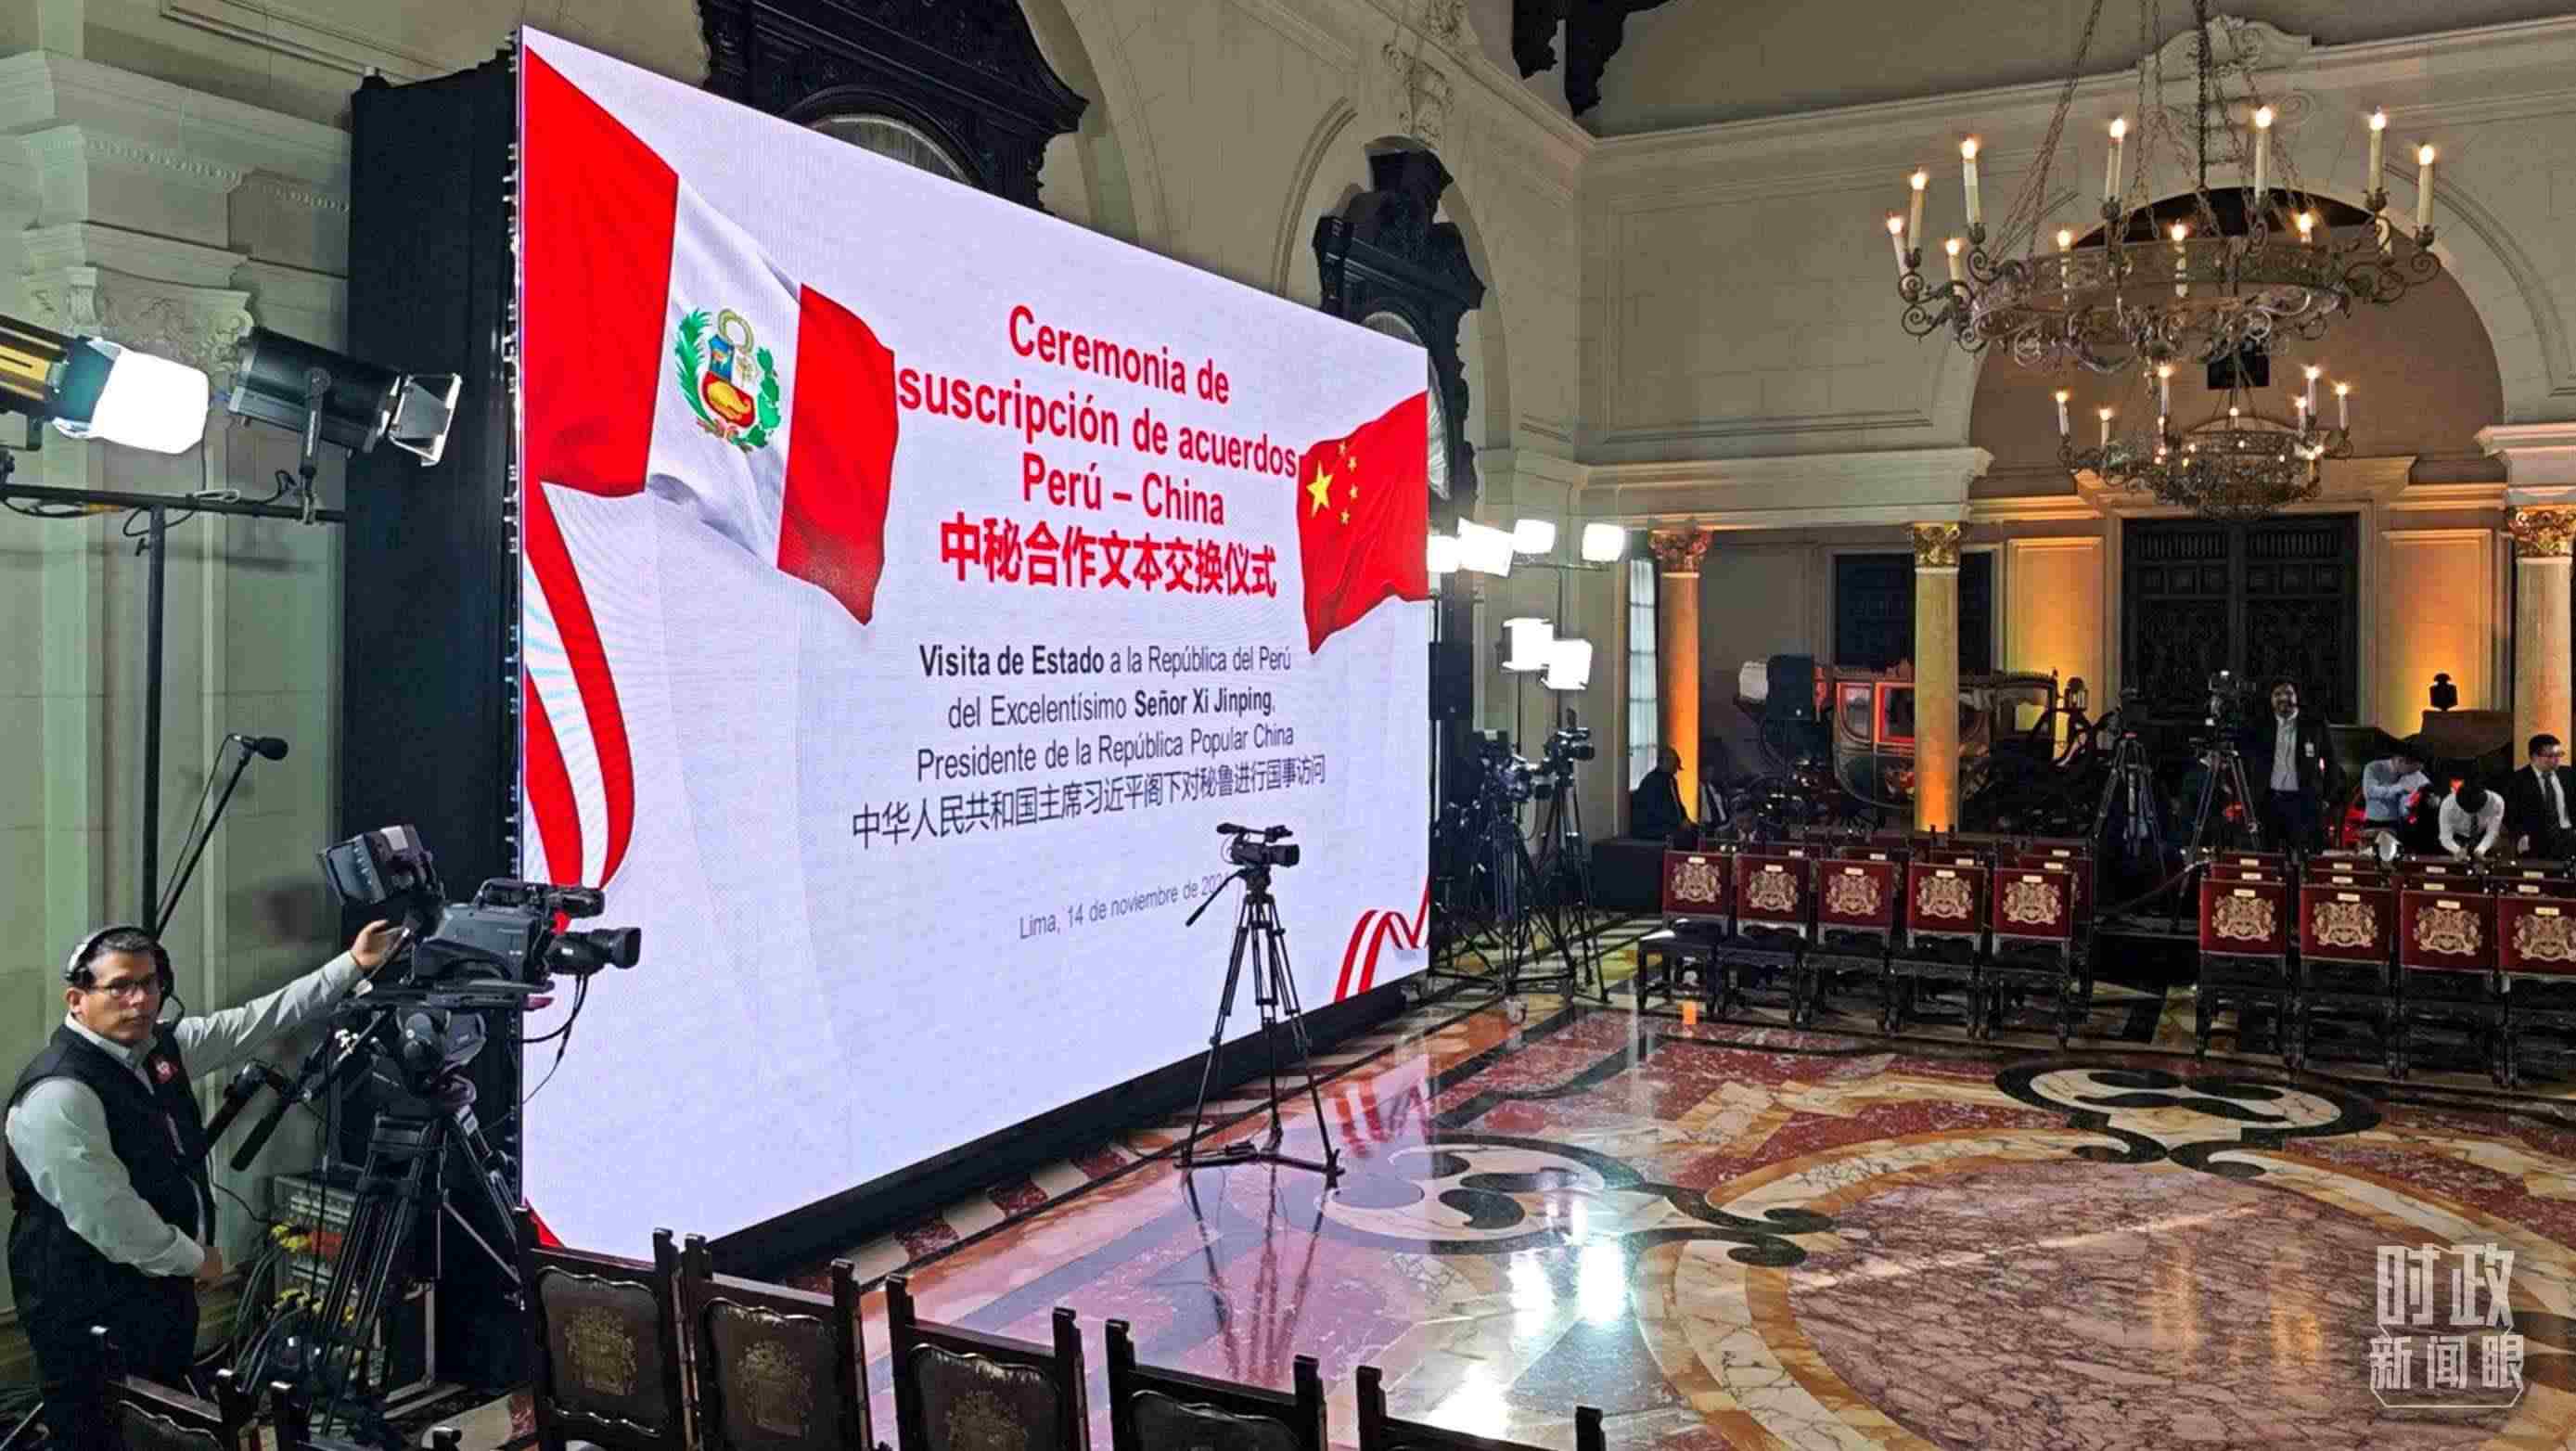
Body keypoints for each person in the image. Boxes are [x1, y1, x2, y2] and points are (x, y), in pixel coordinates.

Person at [6, 919, 402, 1451]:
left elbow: (257, 1019)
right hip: (84, 1296)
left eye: (149, 983)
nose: (140, 1000)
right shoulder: (59, 1094)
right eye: (120, 986)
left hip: (157, 1280)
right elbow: (109, 1217)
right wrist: (193, 1259)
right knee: (98, 1429)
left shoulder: (157, 1051)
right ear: (77, 999)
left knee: (157, 1419)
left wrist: (352, 965)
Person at [2248, 679, 2339, 852]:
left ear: (2297, 696)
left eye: (2289, 693)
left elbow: (2331, 761)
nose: (2284, 698)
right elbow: (2248, 761)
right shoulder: (2260, 725)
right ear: (2271, 699)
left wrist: (2327, 797)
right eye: (2277, 694)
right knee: (2269, 857)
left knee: (2307, 857)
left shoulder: (2314, 723)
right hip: (2270, 802)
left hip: (2304, 803)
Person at [2504, 733, 2576, 859]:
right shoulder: (2517, 780)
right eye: (2550, 756)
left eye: (2559, 754)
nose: (2556, 759)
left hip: (2568, 838)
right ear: (2534, 757)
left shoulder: (2569, 774)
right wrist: (2521, 835)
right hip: (2535, 842)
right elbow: (2510, 813)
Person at [2359, 742, 2430, 832]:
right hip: (2376, 823)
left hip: (2402, 825)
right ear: (2401, 761)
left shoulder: (2415, 773)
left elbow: (2426, 784)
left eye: (2416, 771)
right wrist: (2399, 788)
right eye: (2412, 771)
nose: (2413, 774)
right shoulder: (2374, 767)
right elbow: (2369, 792)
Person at [1630, 746, 1691, 842]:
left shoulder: (1671, 780)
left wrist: (1685, 819)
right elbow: (1657, 810)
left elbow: (1678, 805)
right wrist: (1678, 823)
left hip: (1669, 824)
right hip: (1653, 827)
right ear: (1665, 762)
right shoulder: (1651, 781)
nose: (1676, 771)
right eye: (1674, 766)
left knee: (1697, 831)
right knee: (1685, 838)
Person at [2439, 779, 2506, 861]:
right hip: (2457, 836)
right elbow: (2445, 837)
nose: (2470, 814)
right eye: (2467, 810)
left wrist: (2481, 850)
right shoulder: (2448, 805)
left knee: (2495, 847)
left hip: (2482, 834)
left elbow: (2492, 832)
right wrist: (2457, 850)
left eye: (2474, 810)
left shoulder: (2496, 802)